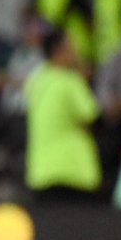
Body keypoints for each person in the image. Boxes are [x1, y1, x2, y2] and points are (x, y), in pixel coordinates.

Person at [24, 27, 102, 203]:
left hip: (40, 172)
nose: (76, 51)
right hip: (73, 171)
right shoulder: (70, 82)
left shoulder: (36, 82)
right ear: (60, 51)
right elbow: (90, 118)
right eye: (72, 46)